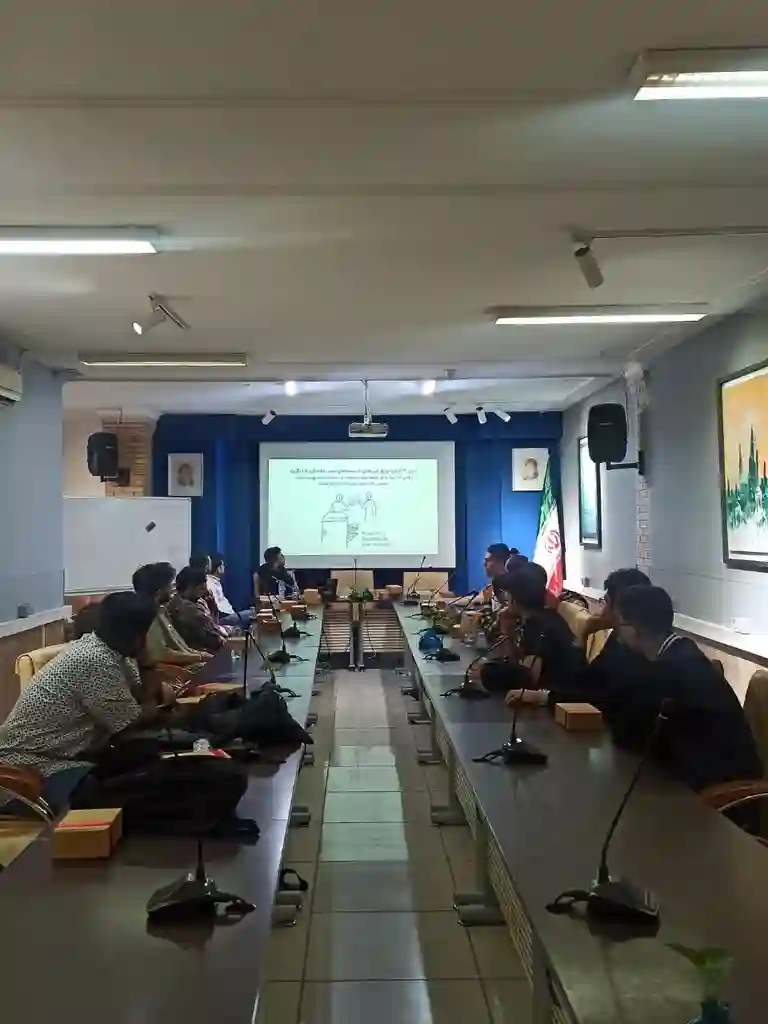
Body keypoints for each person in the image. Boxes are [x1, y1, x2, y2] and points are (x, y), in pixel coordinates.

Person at [0, 592, 166, 810]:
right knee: (119, 790)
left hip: (68, 754)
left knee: (146, 759)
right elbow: (132, 724)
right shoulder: (94, 660)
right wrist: (149, 679)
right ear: (137, 637)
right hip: (29, 763)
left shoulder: (110, 652)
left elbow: (144, 699)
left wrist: (147, 669)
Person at [608, 584, 763, 793]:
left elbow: (630, 733)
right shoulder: (677, 651)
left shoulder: (674, 668)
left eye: (619, 623)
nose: (617, 631)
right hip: (691, 774)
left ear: (634, 629)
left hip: (722, 791)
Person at [508, 567, 653, 713]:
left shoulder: (639, 647)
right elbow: (589, 679)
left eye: (606, 602)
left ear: (621, 608)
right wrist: (545, 694)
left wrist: (543, 697)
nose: (602, 610)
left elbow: (602, 697)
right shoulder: (617, 638)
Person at [473, 563, 584, 694]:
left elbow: (527, 678)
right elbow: (518, 665)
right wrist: (507, 632)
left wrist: (485, 673)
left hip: (560, 697)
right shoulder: (541, 619)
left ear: (514, 599)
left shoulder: (539, 625)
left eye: (508, 594)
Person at [132, 562, 210, 668]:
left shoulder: (161, 611)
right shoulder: (149, 618)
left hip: (193, 663)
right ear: (159, 592)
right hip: (184, 671)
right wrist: (200, 657)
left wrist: (200, 655)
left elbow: (181, 646)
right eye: (169, 585)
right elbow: (162, 654)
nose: (172, 588)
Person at [168, 566, 228, 654]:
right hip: (204, 653)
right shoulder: (189, 609)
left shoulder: (181, 600)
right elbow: (215, 640)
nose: (206, 591)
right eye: (201, 589)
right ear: (190, 588)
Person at [206, 554, 254, 628]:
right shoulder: (210, 583)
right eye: (223, 565)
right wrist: (233, 615)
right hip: (223, 618)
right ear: (218, 568)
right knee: (253, 614)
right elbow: (217, 607)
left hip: (229, 614)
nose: (224, 567)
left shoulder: (215, 581)